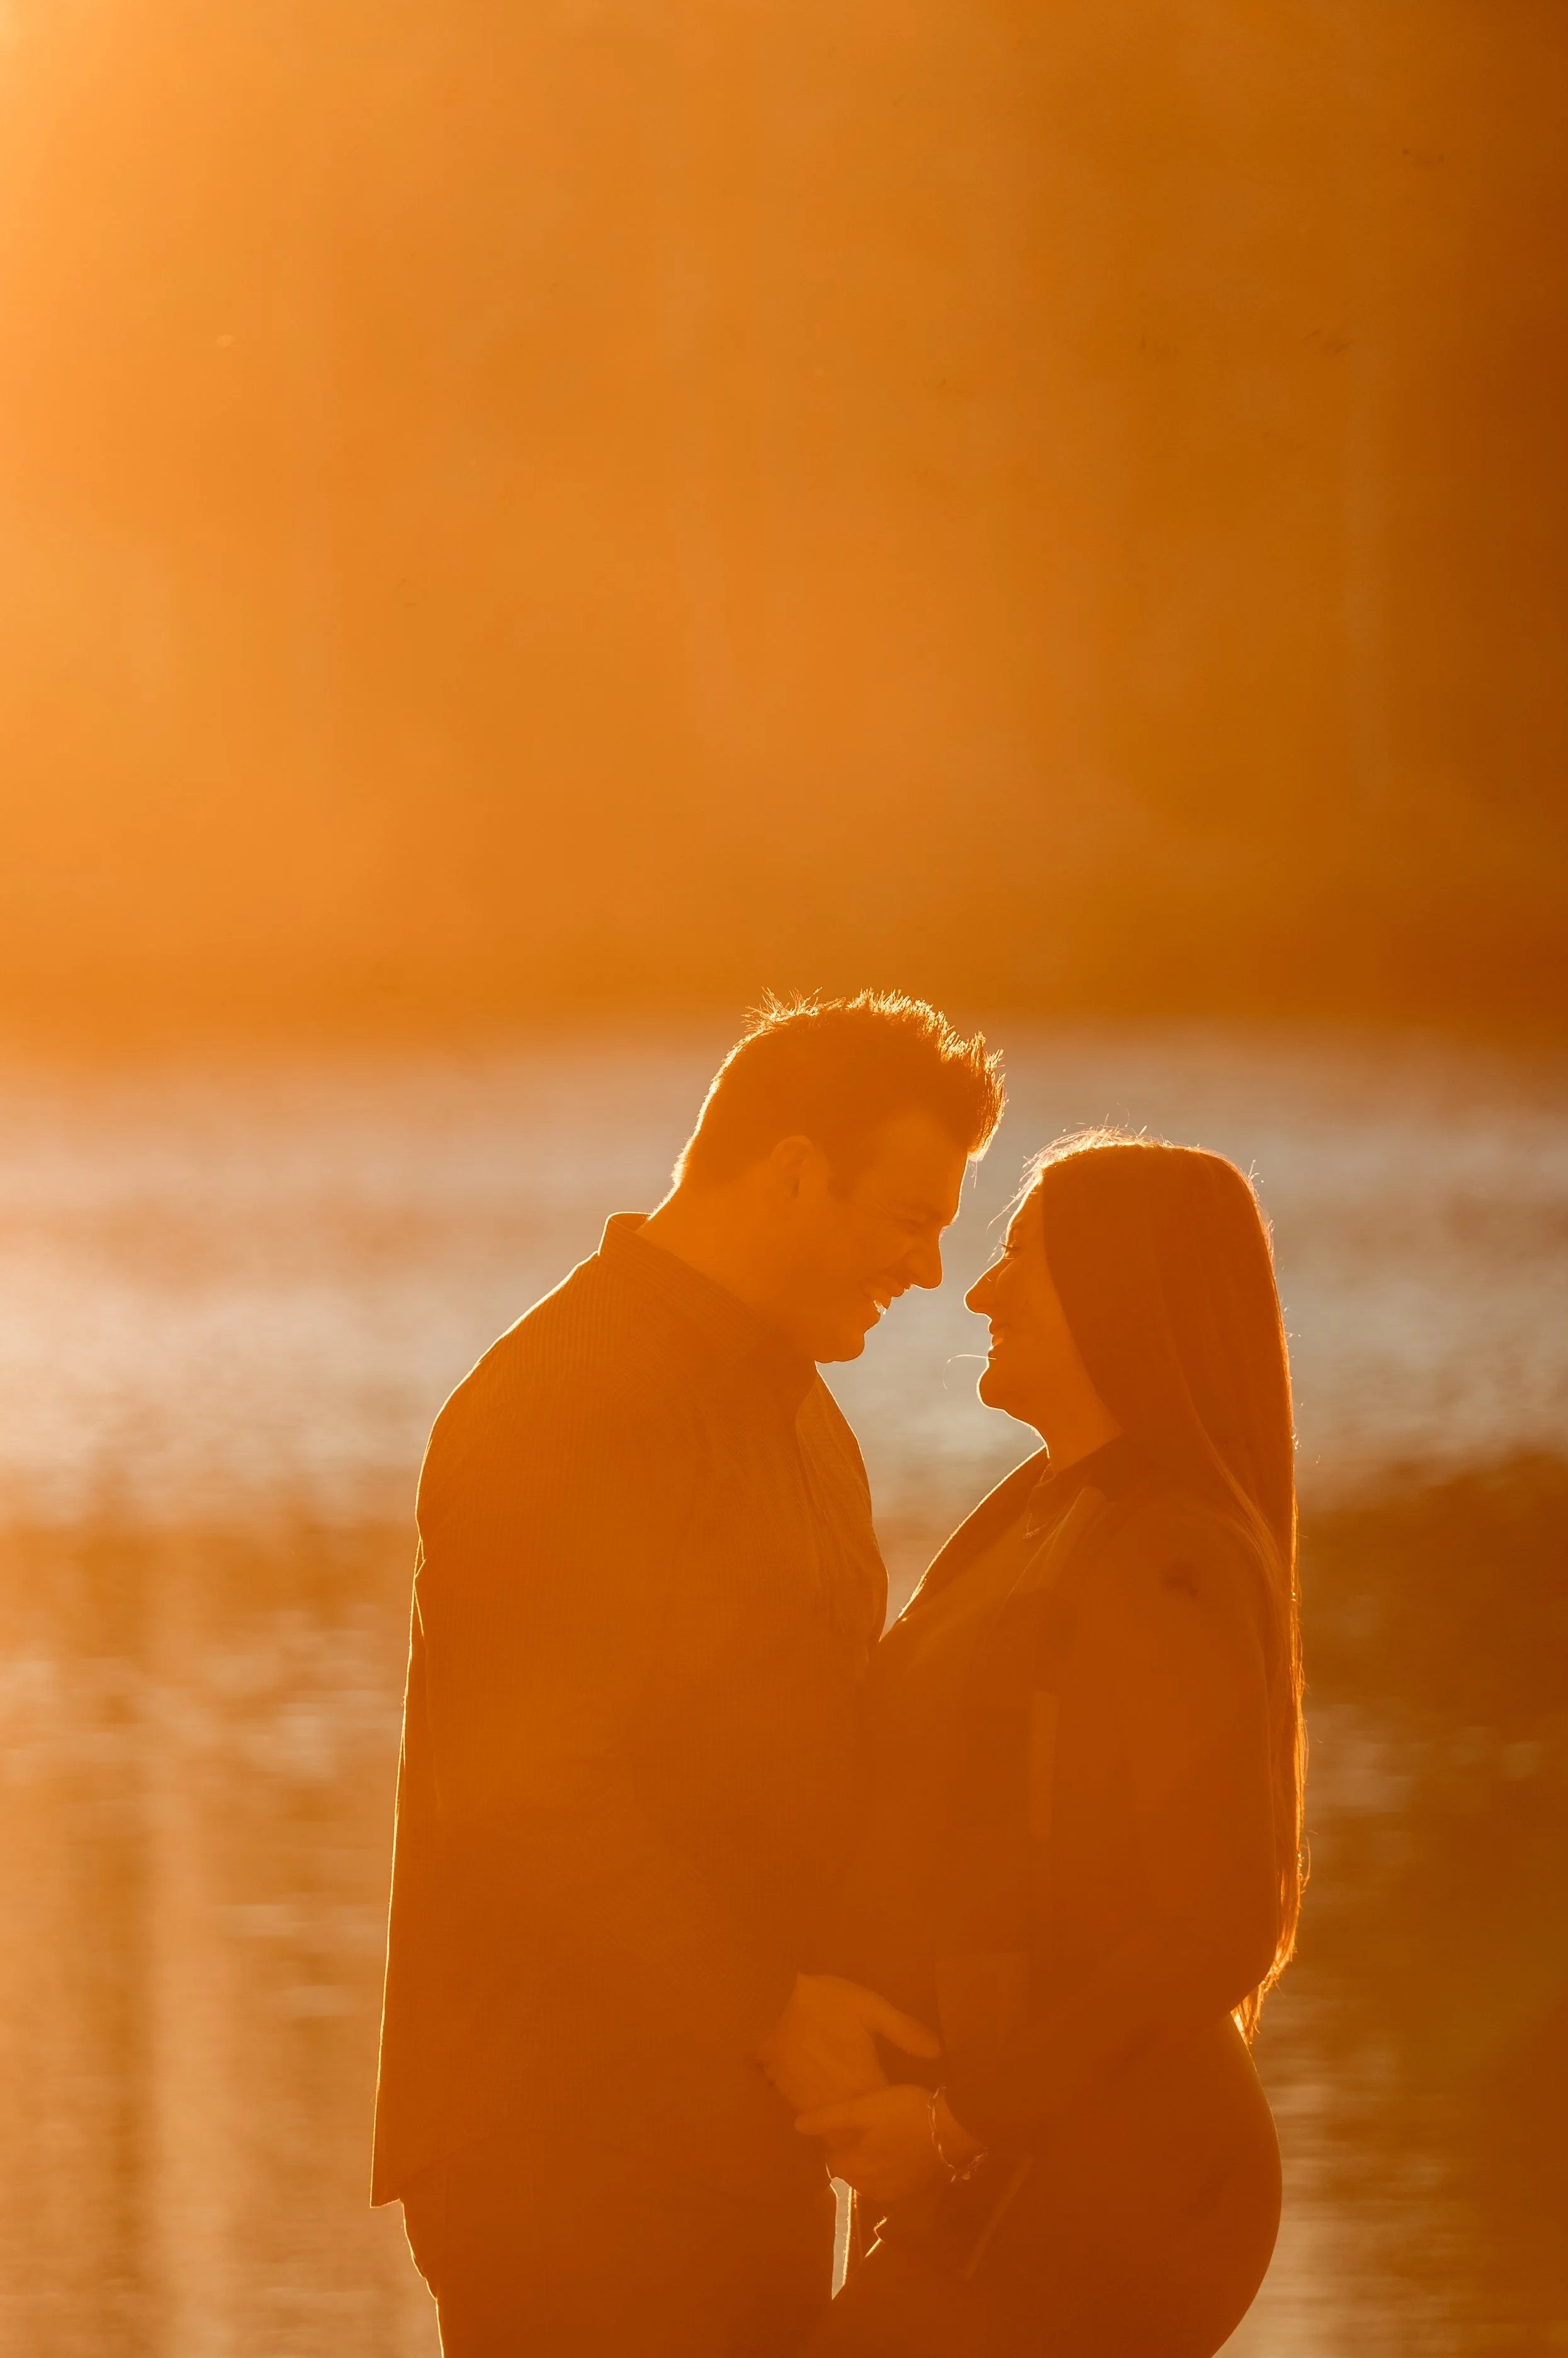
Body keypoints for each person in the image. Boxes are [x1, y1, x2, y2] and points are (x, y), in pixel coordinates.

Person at [371, 992, 1004, 2356]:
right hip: (571, 2160)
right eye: (909, 1218)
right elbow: (527, 1796)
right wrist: (773, 2013)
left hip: (723, 2138)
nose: (933, 1272)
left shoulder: (791, 1412)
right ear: (789, 1172)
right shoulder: (572, 1404)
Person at [798, 1131, 1305, 2357]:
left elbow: (1221, 1915)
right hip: (1006, 2162)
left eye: (1019, 1254)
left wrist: (959, 2123)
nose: (978, 1289)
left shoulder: (1165, 1548)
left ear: (1117, 1290)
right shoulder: (1041, 1510)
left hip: (1115, 2175)